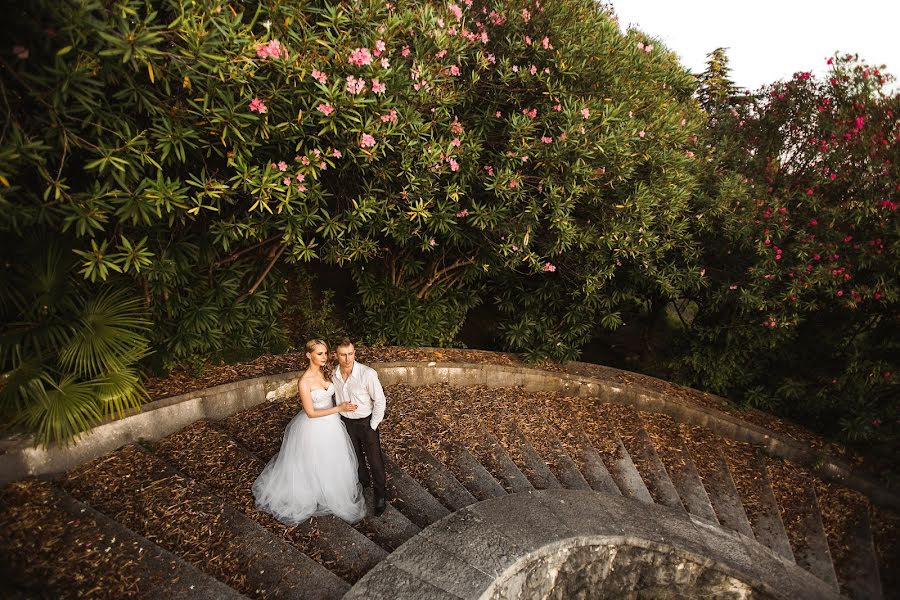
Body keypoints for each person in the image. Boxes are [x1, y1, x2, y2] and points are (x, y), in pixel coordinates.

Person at [252, 339, 366, 525]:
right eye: (319, 353)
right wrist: (339, 408)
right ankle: (316, 491)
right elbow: (311, 413)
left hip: (333, 425)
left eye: (326, 353)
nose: (324, 357)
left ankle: (331, 490)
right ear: (308, 355)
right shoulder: (304, 382)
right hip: (315, 426)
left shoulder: (325, 373)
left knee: (333, 458)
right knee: (315, 461)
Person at [333, 338, 388, 516]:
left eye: (351, 353)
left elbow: (380, 401)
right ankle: (363, 484)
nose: (348, 358)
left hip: (366, 422)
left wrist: (373, 424)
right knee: (355, 457)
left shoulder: (367, 374)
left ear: (354, 353)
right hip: (347, 422)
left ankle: (380, 494)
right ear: (336, 355)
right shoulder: (334, 374)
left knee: (374, 460)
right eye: (343, 355)